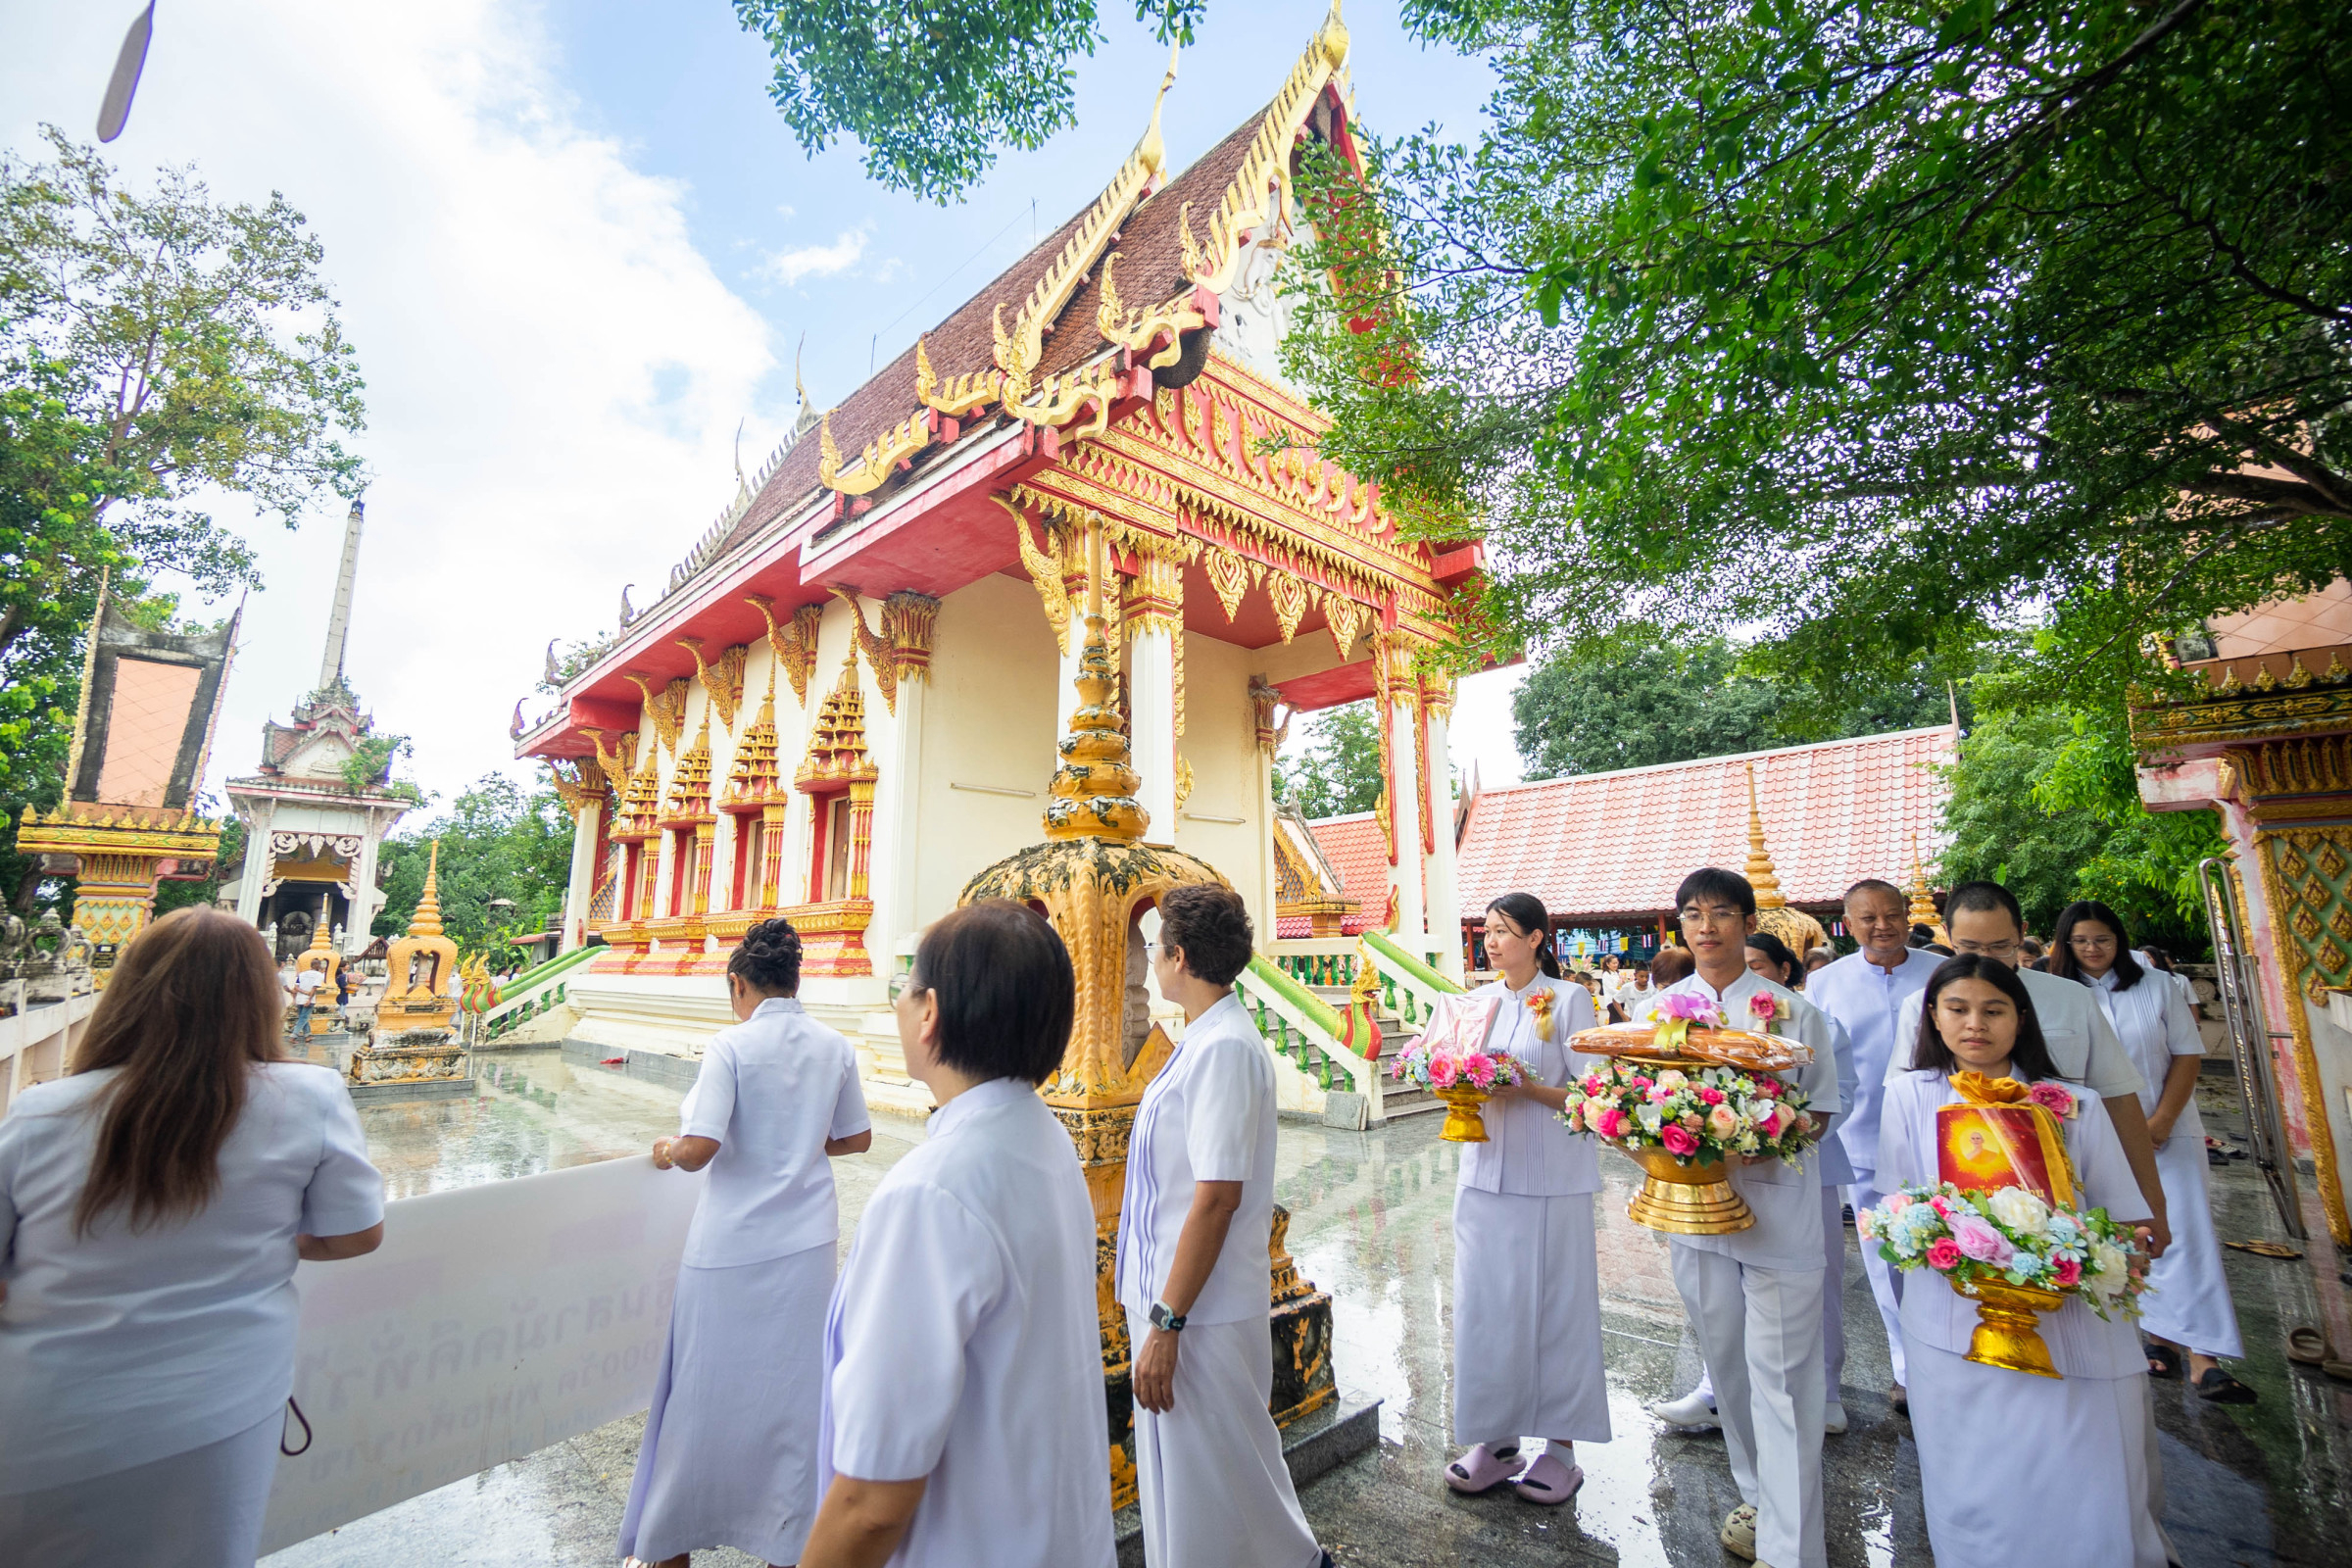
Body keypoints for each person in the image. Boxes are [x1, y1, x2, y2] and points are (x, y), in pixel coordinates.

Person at [0, 907, 385, 1567]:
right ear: (262, 997)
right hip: (219, 1403)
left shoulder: (43, 1108)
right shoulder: (309, 1097)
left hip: (47, 1410)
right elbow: (356, 1235)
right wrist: (268, 1238)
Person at [804, 901, 1111, 1568]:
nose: (900, 1005)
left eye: (906, 988)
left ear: (930, 1013)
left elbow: (870, 1502)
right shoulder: (1044, 1139)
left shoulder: (930, 1193)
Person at [1878, 956, 2163, 1568]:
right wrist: (1942, 1238)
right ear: (1933, 1016)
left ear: (2021, 1019)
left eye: (1993, 1010)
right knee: (1970, 1464)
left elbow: (2117, 1210)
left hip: (2065, 1314)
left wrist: (2076, 1256)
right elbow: (1896, 1200)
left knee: (2074, 1456)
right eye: (1957, 1009)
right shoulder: (1907, 1094)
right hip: (1950, 1311)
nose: (1974, 1024)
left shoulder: (2069, 1101)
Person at [621, 917, 874, 1568]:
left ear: (739, 986)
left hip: (730, 1246)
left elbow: (701, 1147)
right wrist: (798, 1141)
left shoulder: (730, 1047)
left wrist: (665, 1149)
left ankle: (671, 1540)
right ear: (796, 979)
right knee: (793, 1406)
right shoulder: (834, 1045)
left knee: (700, 1398)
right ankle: (785, 1544)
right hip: (808, 1245)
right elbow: (857, 1139)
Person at [1117, 885, 1328, 1568]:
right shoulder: (1201, 1039)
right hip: (1174, 1302)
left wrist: (1168, 1323)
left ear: (1179, 957)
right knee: (1193, 1484)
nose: (1150, 963)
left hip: (1197, 1313)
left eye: (1154, 949)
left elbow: (1216, 1198)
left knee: (1229, 1480)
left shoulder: (1225, 1051)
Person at [1659, 870, 1844, 1568]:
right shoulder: (1663, 1008)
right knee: (1727, 1368)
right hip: (1693, 1211)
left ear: (1747, 921)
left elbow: (1820, 1110)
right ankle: (1758, 1498)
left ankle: (1793, 1550)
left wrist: (1750, 1133)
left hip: (1777, 1210)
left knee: (1786, 1382)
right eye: (1693, 915)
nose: (1706, 927)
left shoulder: (1793, 1011)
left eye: (1722, 914)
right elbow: (1630, 1094)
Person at [1652, 927, 1860, 1438]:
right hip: (1700, 1190)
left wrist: (1762, 1134)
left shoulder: (1805, 1018)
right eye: (1695, 917)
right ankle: (1715, 1396)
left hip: (1792, 1180)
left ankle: (1825, 1391)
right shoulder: (1669, 1015)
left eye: (1758, 964)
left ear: (1783, 970)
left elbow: (1834, 1102)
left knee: (1803, 1314)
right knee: (1716, 1314)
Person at [1886, 883, 2168, 1254]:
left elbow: (2117, 1098)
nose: (1986, 958)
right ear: (1949, 937)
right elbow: (1906, 1110)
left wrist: (2151, 1206)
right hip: (1962, 1206)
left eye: (2000, 946)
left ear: (2022, 933)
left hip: (2064, 1200)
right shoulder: (1923, 1005)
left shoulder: (2071, 998)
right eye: (1970, 947)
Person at [2049, 902, 2252, 1403]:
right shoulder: (2057, 995)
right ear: (2066, 945)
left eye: (2102, 939)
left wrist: (2160, 1122)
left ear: (2119, 940)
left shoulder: (2157, 985)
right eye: (2081, 941)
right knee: (2117, 1234)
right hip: (2092, 1135)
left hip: (2168, 1126)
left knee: (2184, 1233)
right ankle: (2156, 1336)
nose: (2093, 949)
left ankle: (2205, 1356)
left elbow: (2187, 1055)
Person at [1443, 893, 1608, 1504]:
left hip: (1553, 1182)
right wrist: (1447, 1075)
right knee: (1487, 1307)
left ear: (1537, 938)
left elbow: (1594, 1099)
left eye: (1504, 931)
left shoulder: (1569, 1001)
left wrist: (1527, 1086)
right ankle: (1498, 1438)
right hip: (1483, 1174)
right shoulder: (1476, 1003)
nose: (1490, 941)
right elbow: (1457, 1067)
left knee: (1556, 1307)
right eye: (1485, 930)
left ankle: (1561, 1448)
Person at [1799, 879, 1943, 1417]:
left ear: (1907, 916)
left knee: (1946, 1249)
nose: (1881, 926)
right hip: (1861, 1138)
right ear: (1848, 923)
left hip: (1936, 1137)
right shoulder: (1827, 983)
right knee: (1886, 1261)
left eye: (1891, 914)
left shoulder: (1939, 973)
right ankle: (1906, 1369)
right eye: (1868, 918)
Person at [288, 958, 323, 1035]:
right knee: (303, 1018)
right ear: (318, 966)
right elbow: (314, 988)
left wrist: (304, 992)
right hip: (309, 1000)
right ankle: (294, 1035)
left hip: (299, 999)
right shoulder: (319, 975)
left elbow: (296, 987)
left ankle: (307, 1035)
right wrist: (309, 998)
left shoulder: (302, 974)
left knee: (303, 1017)